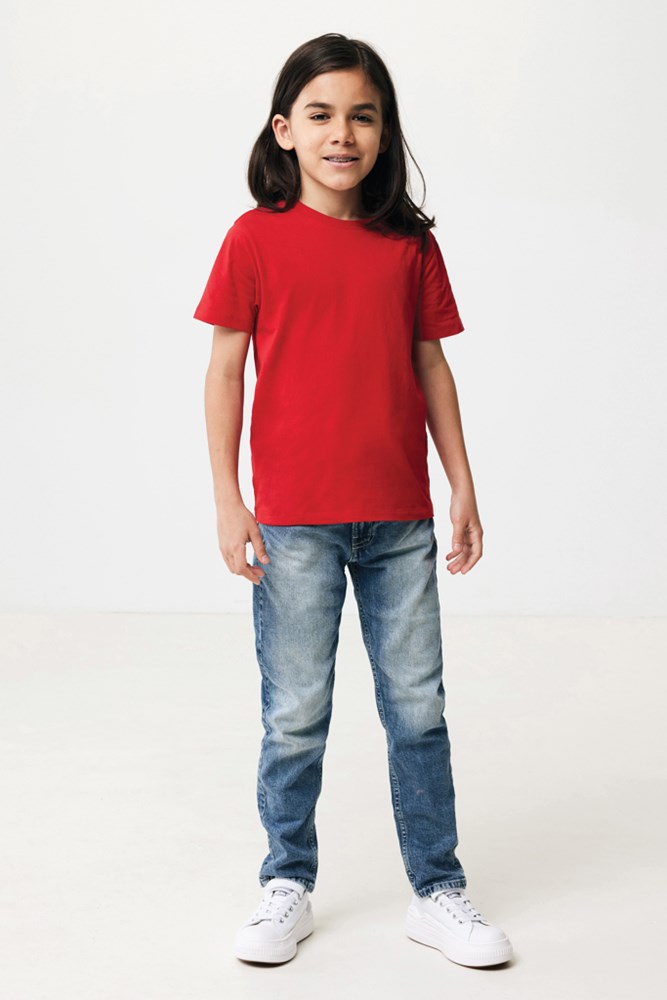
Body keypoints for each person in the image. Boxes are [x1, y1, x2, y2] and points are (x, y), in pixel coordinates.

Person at [193, 32, 514, 969]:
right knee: (294, 712)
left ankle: (437, 889)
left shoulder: (408, 245)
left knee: (416, 710)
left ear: (383, 132)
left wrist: (460, 483)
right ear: (284, 130)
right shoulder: (254, 239)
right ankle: (285, 882)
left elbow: (430, 366)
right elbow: (224, 372)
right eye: (322, 115)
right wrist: (228, 500)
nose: (343, 133)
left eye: (362, 116)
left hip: (399, 520)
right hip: (292, 520)